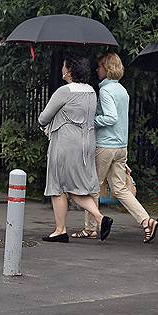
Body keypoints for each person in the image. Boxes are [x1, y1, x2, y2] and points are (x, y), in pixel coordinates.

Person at [76, 53, 158, 243]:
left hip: (105, 146)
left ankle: (91, 229)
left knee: (93, 188)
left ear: (106, 68)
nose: (97, 70)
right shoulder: (122, 90)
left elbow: (111, 118)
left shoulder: (105, 91)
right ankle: (146, 220)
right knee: (120, 188)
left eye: (99, 67)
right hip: (121, 146)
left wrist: (92, 120)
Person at [37, 56, 113, 243]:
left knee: (59, 186)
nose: (62, 69)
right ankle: (99, 217)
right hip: (86, 143)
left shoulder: (65, 91)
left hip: (65, 144)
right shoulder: (91, 92)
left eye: (64, 66)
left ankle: (61, 230)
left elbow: (43, 118)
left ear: (69, 70)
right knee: (76, 187)